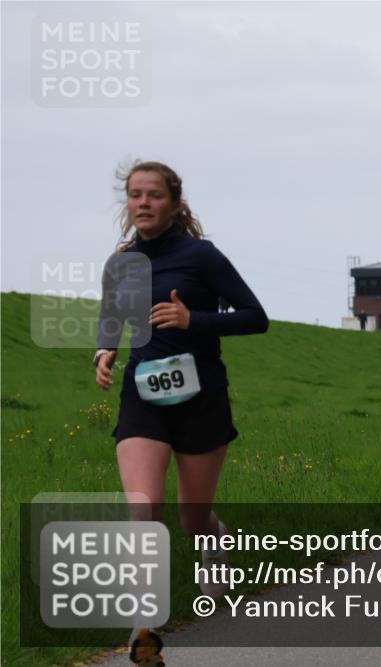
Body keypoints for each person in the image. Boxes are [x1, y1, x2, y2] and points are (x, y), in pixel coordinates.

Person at [94, 161, 269, 661]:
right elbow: (113, 318)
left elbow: (256, 318)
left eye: (154, 195)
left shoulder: (203, 257)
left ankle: (215, 539)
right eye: (135, 195)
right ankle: (142, 625)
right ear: (127, 203)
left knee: (191, 517)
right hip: (143, 395)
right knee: (144, 507)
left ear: (173, 202)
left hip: (201, 398)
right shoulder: (121, 262)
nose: (143, 203)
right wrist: (104, 350)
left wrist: (194, 319)